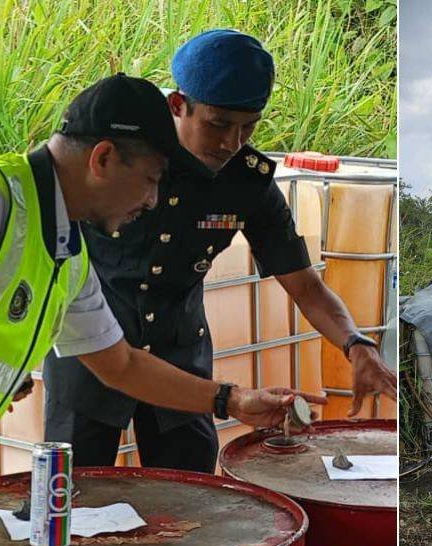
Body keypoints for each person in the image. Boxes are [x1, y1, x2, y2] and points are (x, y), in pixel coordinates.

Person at [0, 74, 324, 546]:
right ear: (102, 158)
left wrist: (233, 401)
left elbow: (121, 365)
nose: (153, 200)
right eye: (151, 179)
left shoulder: (67, 252)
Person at [42, 30, 397, 473]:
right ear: (178, 105)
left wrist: (356, 344)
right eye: (218, 124)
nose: (232, 142)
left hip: (180, 358)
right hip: (89, 350)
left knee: (193, 494)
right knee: (68, 489)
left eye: (248, 126)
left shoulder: (246, 182)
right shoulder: (124, 154)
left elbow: (305, 285)